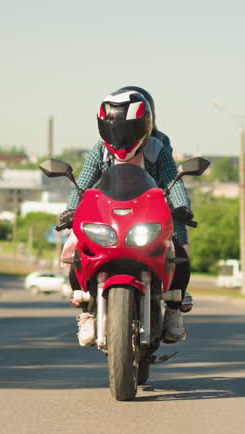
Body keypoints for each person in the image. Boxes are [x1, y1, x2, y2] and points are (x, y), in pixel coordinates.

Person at [60, 86, 195, 347]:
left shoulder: (157, 148)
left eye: (128, 129)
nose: (121, 136)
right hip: (108, 218)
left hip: (150, 216)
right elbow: (84, 183)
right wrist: (70, 210)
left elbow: (172, 180)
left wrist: (182, 206)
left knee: (178, 251)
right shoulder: (98, 151)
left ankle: (174, 309)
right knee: (76, 249)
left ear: (144, 125)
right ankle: (86, 310)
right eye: (115, 129)